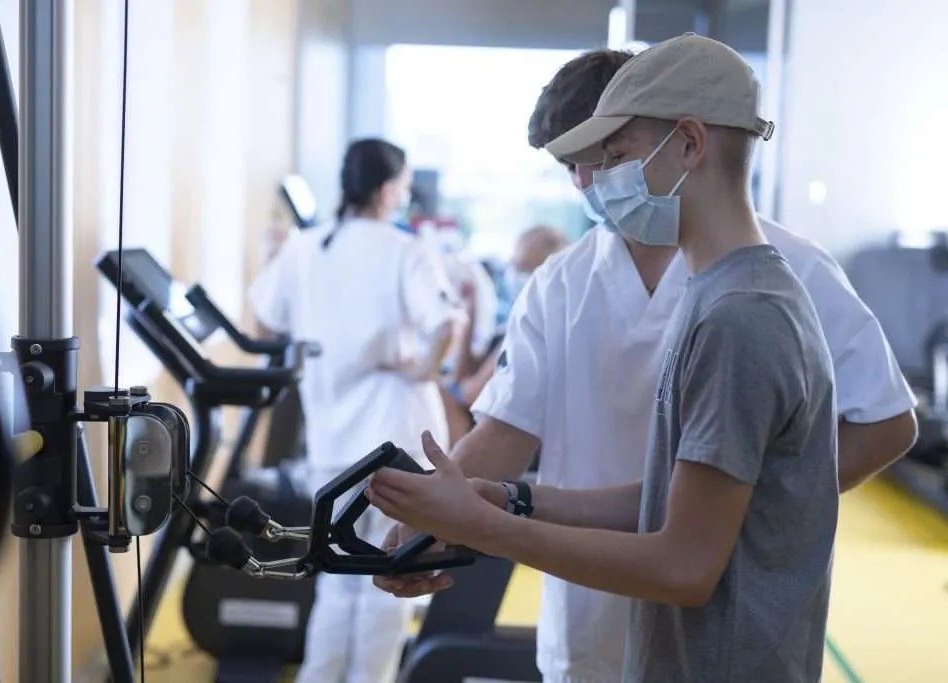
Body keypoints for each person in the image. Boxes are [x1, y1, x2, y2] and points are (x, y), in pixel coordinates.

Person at [371, 34, 918, 682]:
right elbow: (544, 448)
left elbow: (686, 557)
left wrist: (761, 502)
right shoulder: (571, 284)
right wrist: (455, 514)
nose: (588, 180)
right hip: (602, 634)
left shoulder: (756, 298)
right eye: (570, 164)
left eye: (610, 154)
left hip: (719, 634)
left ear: (684, 141)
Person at [249, 138, 461, 683]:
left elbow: (265, 322)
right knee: (391, 577)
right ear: (389, 188)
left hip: (333, 444)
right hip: (398, 437)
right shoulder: (404, 249)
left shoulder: (306, 247)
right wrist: (423, 369)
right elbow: (449, 323)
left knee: (336, 581)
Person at [441, 225, 569, 444]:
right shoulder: (510, 328)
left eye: (524, 269)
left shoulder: (538, 331)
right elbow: (463, 377)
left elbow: (468, 394)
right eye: (514, 267)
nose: (515, 276)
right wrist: (470, 310)